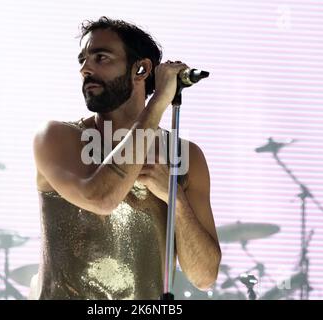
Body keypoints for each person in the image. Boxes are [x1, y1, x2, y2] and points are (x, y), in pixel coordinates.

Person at [29, 17, 221, 300]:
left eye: (100, 57)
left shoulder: (185, 155)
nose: (85, 69)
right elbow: (102, 199)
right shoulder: (58, 136)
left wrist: (176, 198)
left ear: (141, 69)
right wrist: (158, 104)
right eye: (83, 59)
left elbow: (204, 277)